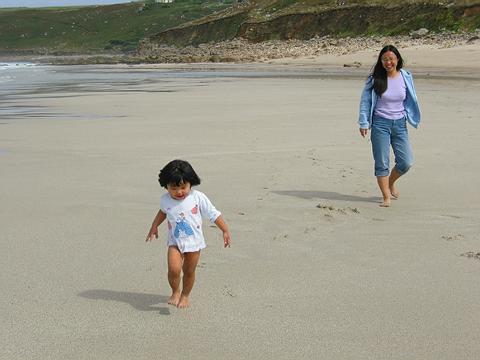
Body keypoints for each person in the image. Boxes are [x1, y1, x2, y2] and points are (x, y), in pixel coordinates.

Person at [146, 159, 231, 308]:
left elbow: (213, 214)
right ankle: (175, 291)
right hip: (175, 242)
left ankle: (185, 295)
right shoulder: (165, 200)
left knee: (189, 271)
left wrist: (224, 229)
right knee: (174, 270)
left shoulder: (197, 198)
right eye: (173, 188)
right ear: (166, 186)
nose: (179, 192)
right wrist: (154, 226)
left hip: (194, 242)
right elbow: (162, 212)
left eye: (183, 187)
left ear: (191, 183)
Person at [358, 45, 421, 207]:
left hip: (400, 124)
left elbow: (410, 98)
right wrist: (364, 122)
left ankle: (391, 182)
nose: (388, 62)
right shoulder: (375, 79)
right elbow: (365, 102)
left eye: (391, 59)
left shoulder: (406, 76)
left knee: (406, 162)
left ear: (397, 59)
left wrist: (411, 116)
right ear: (381, 61)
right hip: (380, 124)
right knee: (382, 162)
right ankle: (386, 196)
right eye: (385, 59)